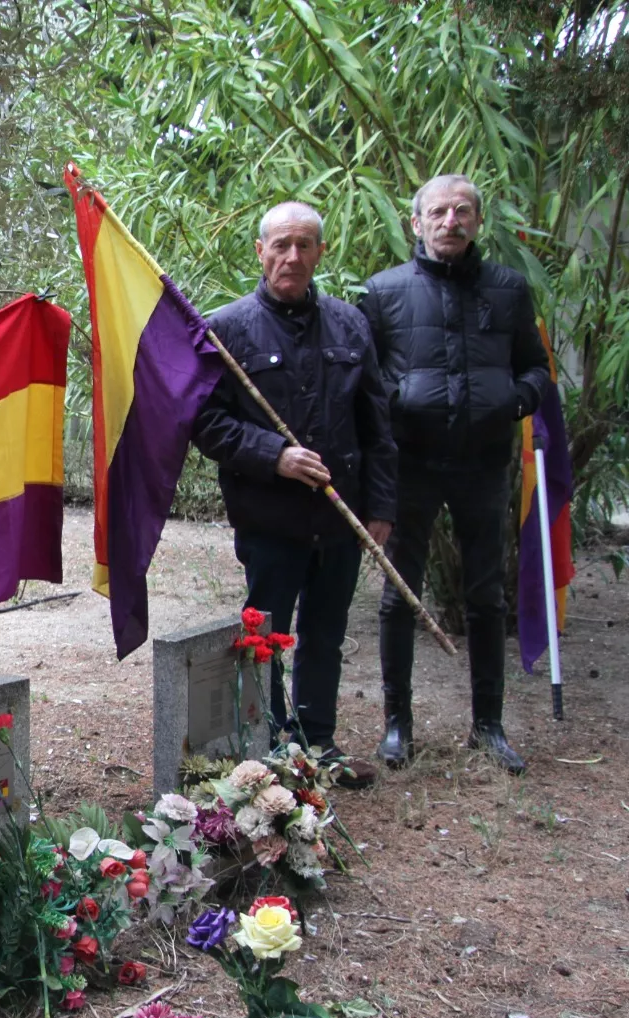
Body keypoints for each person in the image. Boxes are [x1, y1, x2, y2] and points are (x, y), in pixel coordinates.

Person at [193, 201, 395, 788]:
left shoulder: (351, 324)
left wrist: (381, 506)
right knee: (265, 637)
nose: (292, 256)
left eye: (304, 245)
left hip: (339, 517)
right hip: (269, 517)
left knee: (326, 635)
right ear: (260, 251)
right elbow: (206, 423)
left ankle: (316, 742)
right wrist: (274, 455)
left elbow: (377, 424)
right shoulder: (226, 329)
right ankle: (265, 745)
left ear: (320, 253)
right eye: (281, 245)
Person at [359, 174, 550, 775]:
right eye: (438, 212)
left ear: (477, 221)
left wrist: (513, 399)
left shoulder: (509, 289)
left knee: (486, 597)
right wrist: (400, 400)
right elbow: (366, 378)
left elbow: (537, 368)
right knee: (400, 593)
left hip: (483, 463)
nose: (451, 221)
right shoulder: (384, 291)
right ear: (416, 223)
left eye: (462, 211)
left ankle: (488, 725)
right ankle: (397, 725)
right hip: (410, 464)